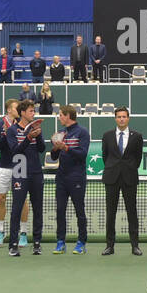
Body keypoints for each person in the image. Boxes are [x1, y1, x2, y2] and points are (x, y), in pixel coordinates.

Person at [5, 99, 46, 257]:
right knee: (16, 209)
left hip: (36, 172)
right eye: (30, 111)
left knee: (38, 209)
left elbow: (41, 149)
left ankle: (37, 243)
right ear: (22, 113)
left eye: (33, 111)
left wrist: (38, 135)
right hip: (19, 172)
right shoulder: (12, 131)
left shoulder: (35, 128)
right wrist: (28, 137)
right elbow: (15, 151)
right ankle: (13, 244)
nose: (33, 113)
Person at [100, 107, 143, 255]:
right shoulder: (107, 136)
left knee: (132, 212)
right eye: (119, 117)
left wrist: (128, 169)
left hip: (129, 178)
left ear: (128, 118)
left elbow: (138, 158)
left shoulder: (137, 136)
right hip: (111, 178)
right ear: (115, 119)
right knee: (110, 213)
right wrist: (114, 168)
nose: (121, 119)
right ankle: (109, 246)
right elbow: (105, 156)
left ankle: (135, 246)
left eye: (124, 116)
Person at [50, 104, 90, 254]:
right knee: (60, 210)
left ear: (68, 116)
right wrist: (55, 148)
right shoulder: (60, 133)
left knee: (79, 211)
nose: (59, 117)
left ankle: (81, 242)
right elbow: (54, 157)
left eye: (61, 115)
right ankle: (60, 242)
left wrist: (66, 147)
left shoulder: (82, 132)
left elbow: (82, 154)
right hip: (61, 178)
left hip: (77, 177)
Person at [0, 100, 29, 248]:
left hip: (19, 165)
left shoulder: (23, 125)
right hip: (3, 166)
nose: (19, 110)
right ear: (9, 110)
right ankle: (0, 231)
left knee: (22, 200)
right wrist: (6, 135)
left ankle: (23, 233)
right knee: (1, 198)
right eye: (16, 108)